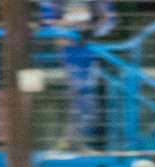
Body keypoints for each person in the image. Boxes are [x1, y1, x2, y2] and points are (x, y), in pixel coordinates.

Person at [40, 1, 117, 151]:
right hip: (66, 52)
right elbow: (47, 22)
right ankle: (71, 142)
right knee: (78, 94)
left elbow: (109, 20)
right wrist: (70, 30)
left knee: (87, 100)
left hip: (88, 49)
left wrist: (92, 30)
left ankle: (75, 142)